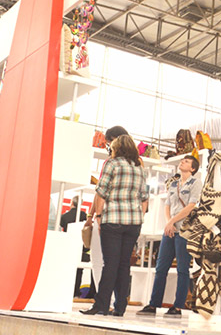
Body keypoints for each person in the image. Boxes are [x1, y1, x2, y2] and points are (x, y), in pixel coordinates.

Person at [82, 134, 149, 316]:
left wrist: (98, 215)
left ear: (116, 148)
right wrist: (139, 217)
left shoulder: (112, 164)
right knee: (123, 265)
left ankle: (101, 305)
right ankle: (120, 307)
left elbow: (101, 191)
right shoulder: (140, 168)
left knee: (110, 264)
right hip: (133, 222)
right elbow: (144, 198)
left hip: (113, 220)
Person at [137, 155, 202, 317]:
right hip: (170, 230)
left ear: (193, 168)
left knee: (182, 269)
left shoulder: (196, 183)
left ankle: (178, 306)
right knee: (161, 268)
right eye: (183, 160)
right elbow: (167, 205)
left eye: (186, 162)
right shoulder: (174, 183)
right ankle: (154, 304)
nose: (182, 162)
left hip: (185, 230)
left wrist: (172, 221)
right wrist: (169, 223)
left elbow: (192, 206)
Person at [61, 195, 90, 298]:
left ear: (71, 203)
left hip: (68, 245)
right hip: (81, 246)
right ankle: (76, 291)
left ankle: (65, 289)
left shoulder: (64, 217)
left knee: (67, 268)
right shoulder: (84, 216)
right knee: (79, 270)